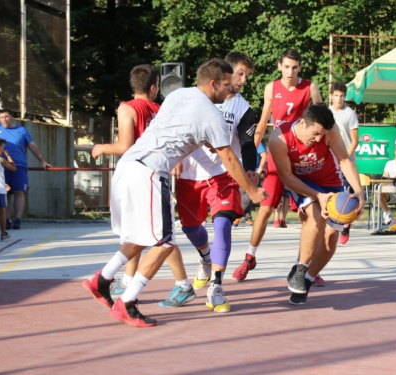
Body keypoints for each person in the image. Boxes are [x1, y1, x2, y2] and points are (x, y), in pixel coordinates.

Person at [81, 58, 267, 328]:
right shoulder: (212, 114)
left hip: (128, 166)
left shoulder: (179, 94)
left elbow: (190, 135)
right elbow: (227, 157)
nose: (230, 91)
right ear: (213, 83)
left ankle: (100, 281)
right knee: (165, 242)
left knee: (143, 237)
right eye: (226, 85)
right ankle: (127, 303)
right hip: (151, 173)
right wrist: (252, 190)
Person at [159, 52, 258, 313]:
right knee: (191, 228)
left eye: (247, 75)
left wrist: (250, 169)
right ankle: (205, 257)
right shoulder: (193, 97)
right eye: (240, 73)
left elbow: (247, 145)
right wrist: (175, 156)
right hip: (190, 174)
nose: (243, 80)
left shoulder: (243, 108)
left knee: (223, 223)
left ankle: (216, 287)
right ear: (224, 73)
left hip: (223, 174)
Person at [232, 49, 323, 283]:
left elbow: (322, 123)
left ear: (300, 67)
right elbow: (262, 124)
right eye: (286, 67)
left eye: (294, 67)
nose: (290, 71)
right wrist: (250, 162)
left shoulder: (310, 88)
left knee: (307, 214)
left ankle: (305, 267)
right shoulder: (271, 88)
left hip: (300, 157)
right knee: (264, 209)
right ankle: (249, 258)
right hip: (276, 153)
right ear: (279, 66)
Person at [269, 103, 364, 305]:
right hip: (301, 182)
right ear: (303, 123)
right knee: (314, 218)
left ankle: (307, 279)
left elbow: (345, 160)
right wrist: (317, 195)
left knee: (331, 238)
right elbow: (286, 177)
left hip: (330, 180)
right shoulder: (279, 139)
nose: (319, 140)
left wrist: (358, 191)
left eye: (322, 135)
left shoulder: (330, 130)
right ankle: (300, 267)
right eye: (315, 134)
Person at [90, 64, 162, 299]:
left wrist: (101, 147)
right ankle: (123, 286)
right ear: (154, 87)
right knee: (158, 235)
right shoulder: (160, 109)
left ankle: (117, 282)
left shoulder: (127, 108)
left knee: (144, 234)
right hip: (151, 174)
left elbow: (124, 146)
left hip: (133, 173)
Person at [0, 109, 52, 230]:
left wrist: (42, 161)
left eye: (6, 117)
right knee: (4, 193)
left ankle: (17, 219)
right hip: (1, 167)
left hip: (19, 166)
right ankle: (6, 220)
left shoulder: (22, 131)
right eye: (1, 117)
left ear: (12, 117)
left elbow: (32, 146)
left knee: (19, 191)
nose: (4, 120)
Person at [329, 81, 359, 245]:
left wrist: (344, 158)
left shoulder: (350, 114)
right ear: (331, 96)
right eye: (336, 96)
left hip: (345, 161)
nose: (339, 99)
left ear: (345, 97)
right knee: (333, 195)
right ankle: (333, 224)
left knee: (348, 196)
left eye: (342, 96)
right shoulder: (327, 112)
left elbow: (355, 140)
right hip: (330, 162)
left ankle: (346, 224)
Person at [234, 142, 267, 227]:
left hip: (253, 172)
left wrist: (259, 169)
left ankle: (238, 214)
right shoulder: (237, 141)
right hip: (240, 172)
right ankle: (247, 217)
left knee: (249, 195)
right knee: (241, 194)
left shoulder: (256, 140)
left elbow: (264, 155)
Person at [0, 138, 16, 241]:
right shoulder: (1, 159)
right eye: (3, 148)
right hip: (0, 189)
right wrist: (8, 156)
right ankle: (3, 234)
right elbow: (14, 168)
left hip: (1, 186)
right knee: (2, 212)